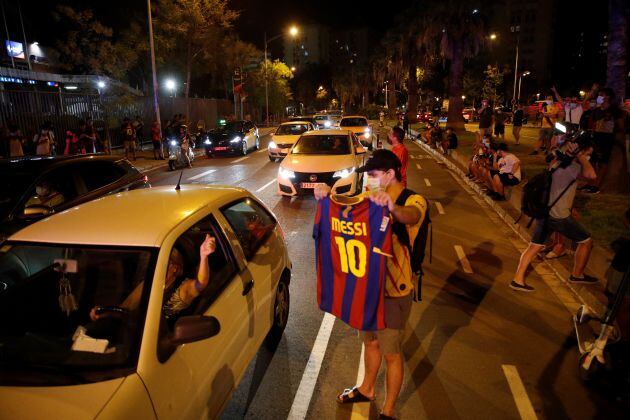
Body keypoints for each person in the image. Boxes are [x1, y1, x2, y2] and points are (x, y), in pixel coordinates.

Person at [315, 150, 427, 419]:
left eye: (375, 176)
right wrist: (326, 193)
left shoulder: (414, 200)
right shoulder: (370, 197)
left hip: (393, 292)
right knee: (370, 343)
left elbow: (410, 215)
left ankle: (388, 411)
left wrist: (392, 207)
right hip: (367, 290)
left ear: (390, 174)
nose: (370, 182)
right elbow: (346, 206)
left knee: (391, 353)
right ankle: (366, 389)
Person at [511, 136, 597, 292]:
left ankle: (518, 279)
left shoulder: (556, 163)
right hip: (559, 217)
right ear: (581, 151)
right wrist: (581, 157)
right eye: (588, 153)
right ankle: (577, 274)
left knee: (533, 247)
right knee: (586, 241)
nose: (590, 157)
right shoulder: (573, 168)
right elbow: (591, 176)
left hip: (545, 212)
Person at [90, 234, 216, 321]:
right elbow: (125, 308)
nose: (156, 267)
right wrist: (105, 313)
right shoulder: (148, 284)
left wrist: (204, 256)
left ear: (175, 268)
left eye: (163, 263)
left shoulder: (183, 288)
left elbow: (201, 283)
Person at [579, 86, 625, 194]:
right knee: (592, 160)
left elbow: (621, 126)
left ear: (608, 97)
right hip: (596, 136)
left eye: (601, 95)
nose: (599, 97)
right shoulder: (597, 110)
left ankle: (596, 186)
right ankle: (590, 184)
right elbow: (588, 113)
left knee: (602, 163)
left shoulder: (614, 110)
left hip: (607, 138)